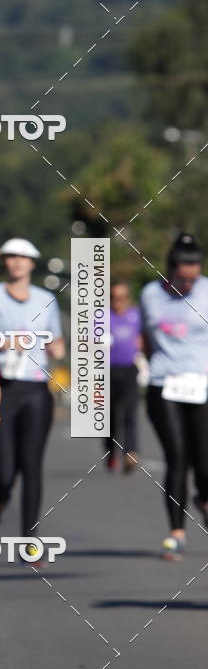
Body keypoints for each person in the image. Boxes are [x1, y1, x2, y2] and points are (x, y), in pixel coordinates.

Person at [0, 238, 65, 541]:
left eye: (23, 258)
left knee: (32, 465)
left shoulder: (46, 298)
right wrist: (6, 341)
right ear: (5, 262)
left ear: (32, 264)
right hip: (3, 388)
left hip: (36, 388)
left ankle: (30, 538)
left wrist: (58, 348)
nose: (17, 263)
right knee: (5, 471)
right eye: (11, 258)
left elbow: (55, 340)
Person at [140, 233, 208, 561]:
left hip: (203, 385)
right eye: (183, 278)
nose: (189, 284)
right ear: (171, 271)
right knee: (177, 457)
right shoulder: (150, 294)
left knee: (204, 462)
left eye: (194, 278)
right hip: (163, 385)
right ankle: (177, 534)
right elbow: (148, 339)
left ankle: (204, 497)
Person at [105, 282, 142, 473]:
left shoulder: (136, 315)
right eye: (113, 297)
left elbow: (142, 337)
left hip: (129, 369)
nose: (117, 302)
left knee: (130, 412)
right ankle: (110, 451)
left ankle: (130, 453)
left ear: (128, 298)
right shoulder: (102, 317)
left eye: (121, 298)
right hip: (107, 371)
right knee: (110, 416)